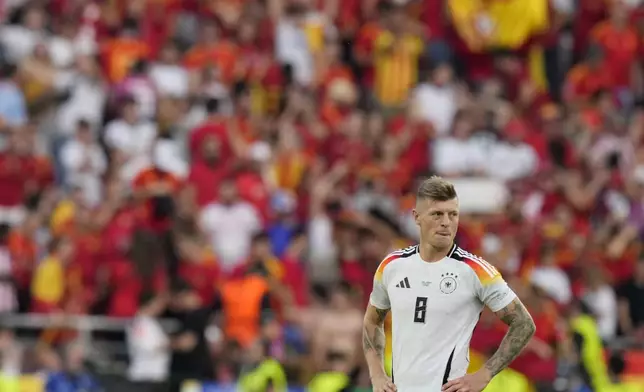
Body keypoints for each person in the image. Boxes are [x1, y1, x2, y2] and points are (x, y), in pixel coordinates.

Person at [362, 176, 536, 392]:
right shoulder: (392, 265)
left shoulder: (476, 270)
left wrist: (484, 374)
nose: (446, 222)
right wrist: (377, 374)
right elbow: (371, 322)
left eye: (452, 214)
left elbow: (524, 324)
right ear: (417, 217)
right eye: (437, 214)